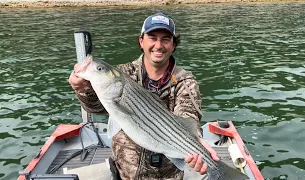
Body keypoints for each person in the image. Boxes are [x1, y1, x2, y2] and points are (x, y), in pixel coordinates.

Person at [69, 12, 219, 180]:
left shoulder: (185, 82)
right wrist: (85, 89)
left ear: (173, 45)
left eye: (166, 39)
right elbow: (95, 107)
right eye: (152, 37)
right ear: (141, 41)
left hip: (169, 175)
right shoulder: (124, 73)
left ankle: (219, 172)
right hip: (126, 173)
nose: (158, 45)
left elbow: (188, 115)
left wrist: (197, 144)